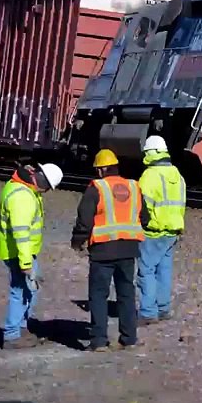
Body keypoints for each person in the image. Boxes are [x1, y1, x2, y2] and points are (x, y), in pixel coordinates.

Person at [72, 149, 146, 352]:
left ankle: (98, 341)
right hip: (129, 249)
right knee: (126, 294)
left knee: (98, 295)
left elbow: (84, 219)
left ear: (103, 168)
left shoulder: (97, 187)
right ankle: (129, 339)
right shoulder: (134, 186)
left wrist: (77, 241)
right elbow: (145, 218)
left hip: (103, 251)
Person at [0, 161, 64, 349]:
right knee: (19, 291)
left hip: (21, 252)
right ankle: (12, 335)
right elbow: (21, 232)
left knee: (30, 289)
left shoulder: (22, 187)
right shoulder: (22, 197)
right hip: (18, 253)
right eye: (48, 188)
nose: (46, 192)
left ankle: (21, 328)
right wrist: (25, 262)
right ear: (42, 181)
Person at [136, 135, 186, 324]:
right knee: (164, 270)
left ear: (151, 153)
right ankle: (163, 308)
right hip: (173, 231)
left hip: (153, 231)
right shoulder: (177, 175)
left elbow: (141, 206)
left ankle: (148, 312)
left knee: (146, 270)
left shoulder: (150, 175)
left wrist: (140, 225)